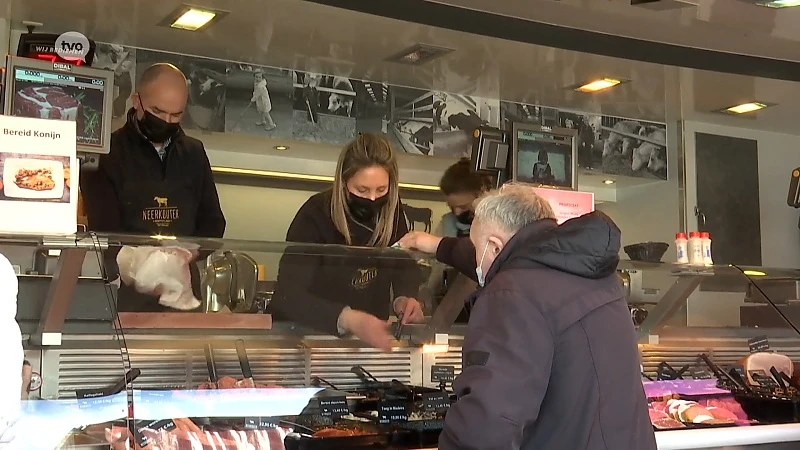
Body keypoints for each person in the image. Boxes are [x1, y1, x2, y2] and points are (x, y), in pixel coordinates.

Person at [399, 183, 656, 450]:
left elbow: (487, 424)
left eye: (476, 249)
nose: (475, 262)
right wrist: (435, 245)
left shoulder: (511, 294)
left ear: (495, 247)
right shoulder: (591, 271)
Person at [80, 63, 226, 311]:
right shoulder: (107, 153)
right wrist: (142, 262)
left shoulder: (194, 153)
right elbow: (104, 232)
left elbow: (213, 222)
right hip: (126, 297)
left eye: (176, 115)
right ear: (137, 101)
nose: (167, 121)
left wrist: (188, 252)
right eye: (158, 112)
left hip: (185, 293)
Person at [269, 133, 425, 351]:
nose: (372, 199)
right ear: (343, 183)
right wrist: (349, 318)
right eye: (362, 190)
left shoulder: (393, 213)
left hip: (369, 345)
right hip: (307, 343)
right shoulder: (315, 214)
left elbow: (403, 267)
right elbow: (288, 297)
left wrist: (404, 299)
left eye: (381, 190)